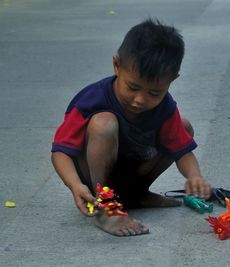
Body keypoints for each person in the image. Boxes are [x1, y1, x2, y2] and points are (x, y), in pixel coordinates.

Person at [51, 19, 212, 237]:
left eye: (154, 93)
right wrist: (75, 185)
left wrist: (194, 176)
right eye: (132, 87)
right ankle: (105, 207)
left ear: (172, 80)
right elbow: (60, 152)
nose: (139, 100)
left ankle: (137, 195)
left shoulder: (164, 107)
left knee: (183, 126)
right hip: (94, 179)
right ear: (117, 66)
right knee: (103, 124)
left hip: (132, 172)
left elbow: (183, 150)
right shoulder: (91, 100)